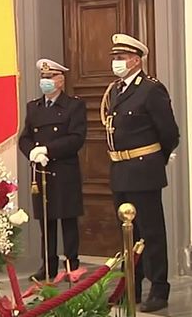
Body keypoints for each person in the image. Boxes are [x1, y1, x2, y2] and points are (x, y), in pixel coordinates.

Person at [101, 34, 179, 313]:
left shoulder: (150, 89)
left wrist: (154, 159)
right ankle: (131, 287)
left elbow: (169, 133)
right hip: (120, 169)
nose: (116, 62)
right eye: (114, 58)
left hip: (144, 170)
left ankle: (159, 289)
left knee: (151, 232)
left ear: (136, 60)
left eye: (121, 58)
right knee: (128, 235)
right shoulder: (116, 90)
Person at [19, 59, 87, 281]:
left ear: (61, 80)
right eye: (43, 77)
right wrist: (32, 152)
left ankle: (71, 264)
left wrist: (48, 150)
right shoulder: (34, 107)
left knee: (68, 219)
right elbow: (25, 137)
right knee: (46, 221)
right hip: (41, 172)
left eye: (50, 77)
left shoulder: (73, 106)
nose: (45, 81)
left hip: (64, 170)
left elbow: (76, 138)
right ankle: (48, 265)